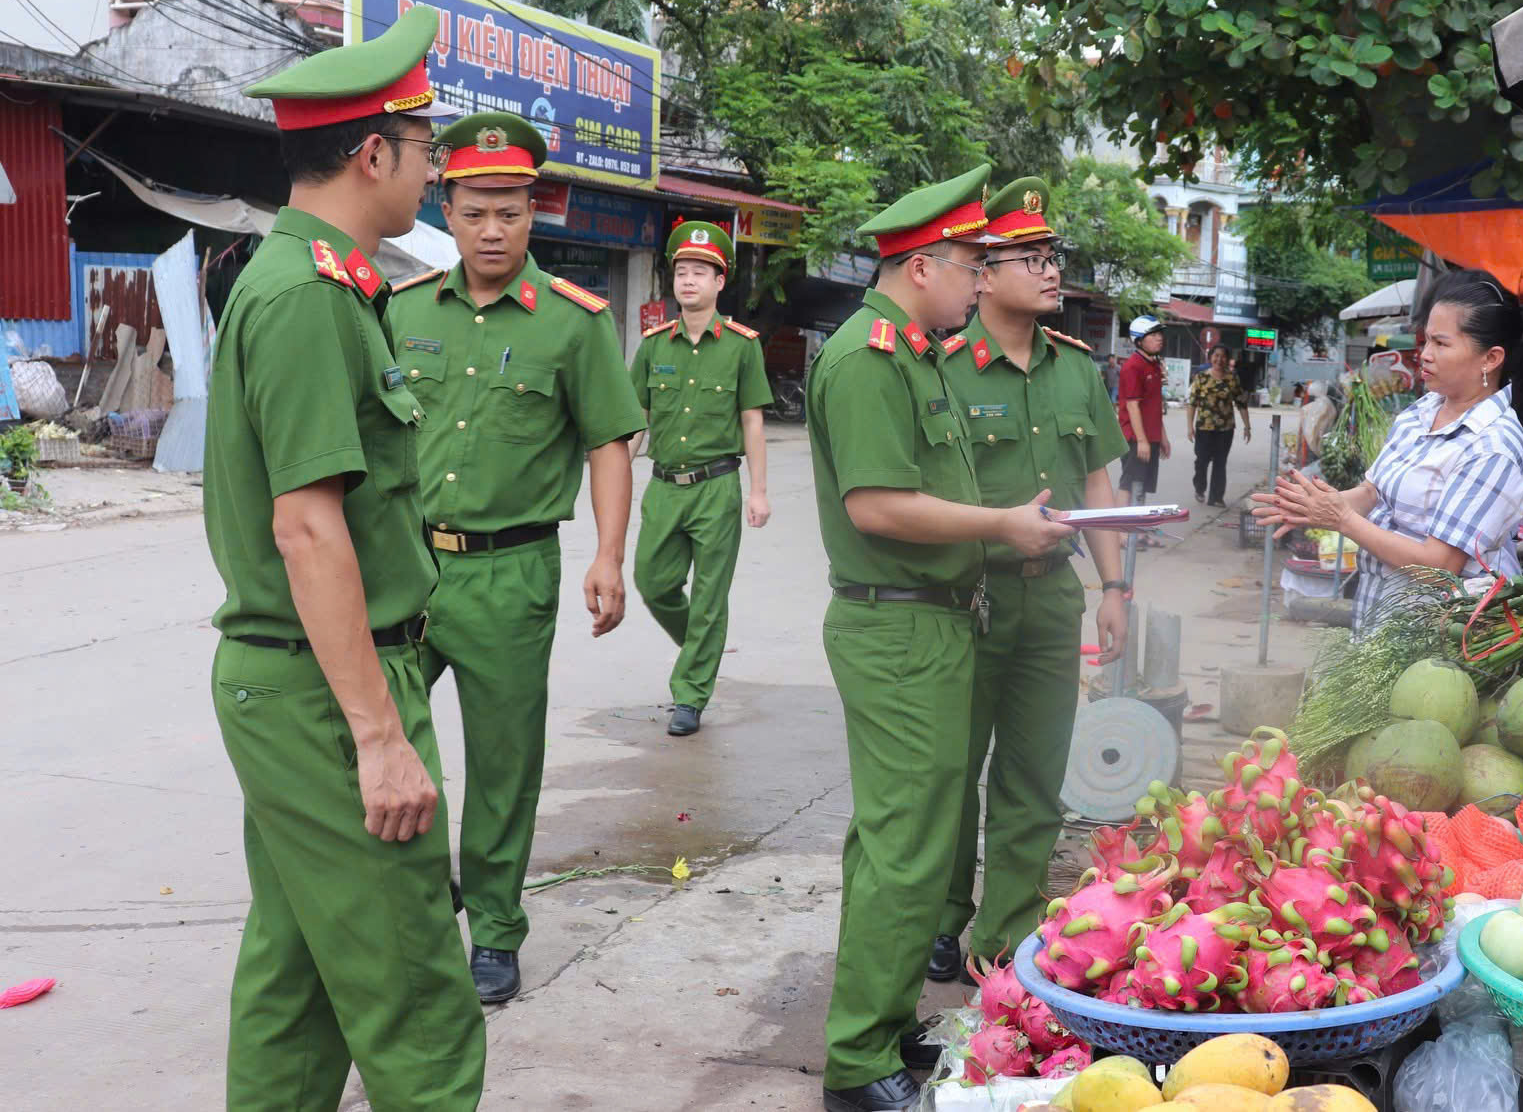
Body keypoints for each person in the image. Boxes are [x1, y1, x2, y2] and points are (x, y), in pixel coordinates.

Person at [206, 4, 485, 1109]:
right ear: (373, 153)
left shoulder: (316, 281)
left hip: (307, 681)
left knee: (301, 978)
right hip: (332, 692)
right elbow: (307, 526)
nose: (432, 178)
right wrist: (378, 737)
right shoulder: (309, 298)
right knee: (415, 993)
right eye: (425, 156)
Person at [806, 163, 1076, 1112]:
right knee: (904, 848)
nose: (979, 278)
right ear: (923, 266)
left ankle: (879, 1025)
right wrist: (1001, 526)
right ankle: (855, 1060)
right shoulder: (870, 358)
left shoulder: (914, 352)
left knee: (909, 839)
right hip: (897, 625)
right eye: (971, 262)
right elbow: (877, 503)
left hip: (932, 622)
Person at [387, 111, 644, 1004]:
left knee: (502, 763)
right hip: (405, 569)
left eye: (511, 211)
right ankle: (420, 897)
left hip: (511, 570)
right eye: (474, 210)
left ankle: (494, 928)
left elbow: (610, 441)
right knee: (380, 740)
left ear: (537, 212)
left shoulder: (572, 326)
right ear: (445, 207)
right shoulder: (402, 309)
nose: (493, 230)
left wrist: (610, 555)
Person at [930, 177, 1131, 985]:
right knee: (950, 773)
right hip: (964, 596)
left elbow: (1101, 483)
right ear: (982, 272)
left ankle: (999, 931)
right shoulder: (941, 368)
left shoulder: (1077, 370)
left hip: (1052, 594)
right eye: (1030, 257)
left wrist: (1114, 587)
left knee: (1034, 775)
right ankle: (941, 918)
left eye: (1053, 257)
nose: (1051, 272)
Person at [1253, 270, 1523, 633]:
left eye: (1441, 344)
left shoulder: (1493, 446)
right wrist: (1312, 506)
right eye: (1426, 341)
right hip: (1378, 610)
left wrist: (1342, 520)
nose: (1425, 355)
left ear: (1491, 358)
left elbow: (1439, 566)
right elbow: (1373, 492)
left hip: (1438, 634)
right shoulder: (1421, 412)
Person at [629, 220, 772, 738]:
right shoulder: (652, 347)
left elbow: (752, 419)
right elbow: (636, 421)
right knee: (652, 581)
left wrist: (758, 490)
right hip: (664, 487)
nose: (688, 280)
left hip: (717, 488)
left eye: (701, 272)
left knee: (711, 595)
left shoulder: (741, 346)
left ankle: (689, 695)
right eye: (682, 271)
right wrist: (616, 475)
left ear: (719, 282)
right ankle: (702, 651)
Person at [1186, 345, 1252, 506]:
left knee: (1220, 462)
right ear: (1210, 357)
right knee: (1201, 461)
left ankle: (1216, 497)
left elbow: (1241, 403)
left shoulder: (1232, 379)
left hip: (1225, 429)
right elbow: (1192, 403)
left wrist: (1247, 426)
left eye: (1223, 356)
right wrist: (1190, 427)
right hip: (1204, 428)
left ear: (1227, 359)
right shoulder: (1201, 378)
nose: (1219, 359)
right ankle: (1200, 488)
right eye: (1216, 355)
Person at [1116, 313, 1168, 503]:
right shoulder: (1133, 366)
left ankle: (1135, 530)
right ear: (1138, 341)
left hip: (1149, 437)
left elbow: (1154, 405)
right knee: (1129, 483)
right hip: (1134, 437)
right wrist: (1142, 441)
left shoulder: (1154, 365)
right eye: (1153, 335)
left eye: (1159, 334)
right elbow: (1132, 406)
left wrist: (1162, 437)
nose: (1159, 338)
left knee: (1142, 484)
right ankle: (1121, 531)